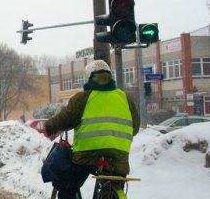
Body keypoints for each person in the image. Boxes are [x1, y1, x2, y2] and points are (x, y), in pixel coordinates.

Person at [44, 60, 140, 199]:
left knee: (68, 186)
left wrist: (48, 127)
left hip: (87, 157)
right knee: (114, 189)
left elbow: (64, 119)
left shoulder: (83, 98)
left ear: (88, 78)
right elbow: (134, 128)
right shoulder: (124, 98)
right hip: (118, 158)